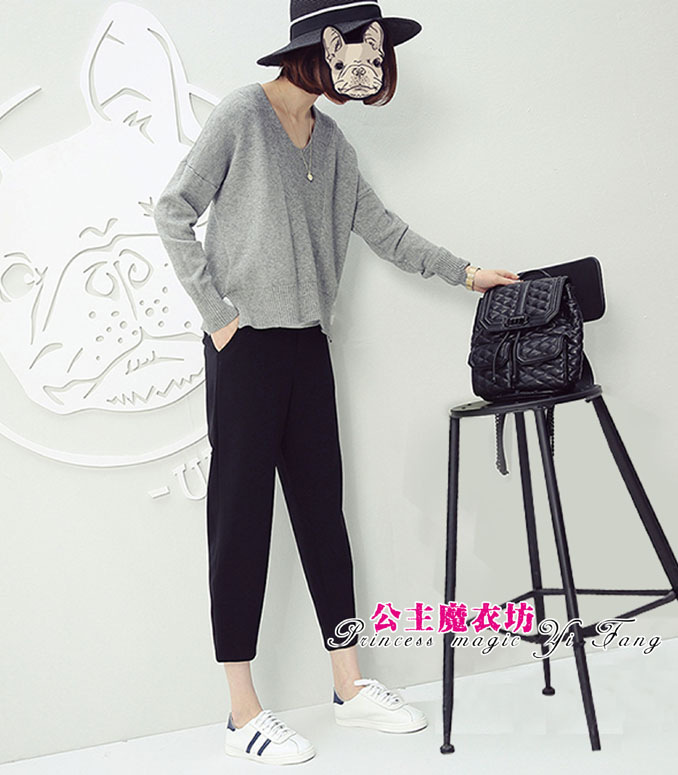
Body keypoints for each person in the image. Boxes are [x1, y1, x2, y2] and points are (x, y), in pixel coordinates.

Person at [154, 0, 520, 765]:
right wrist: (220, 317)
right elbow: (172, 210)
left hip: (307, 349)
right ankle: (242, 710)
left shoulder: (333, 144)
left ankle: (349, 686)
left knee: (324, 513)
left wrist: (465, 273)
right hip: (246, 349)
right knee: (241, 521)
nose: (369, 71)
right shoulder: (241, 117)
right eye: (362, 54)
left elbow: (384, 230)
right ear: (320, 49)